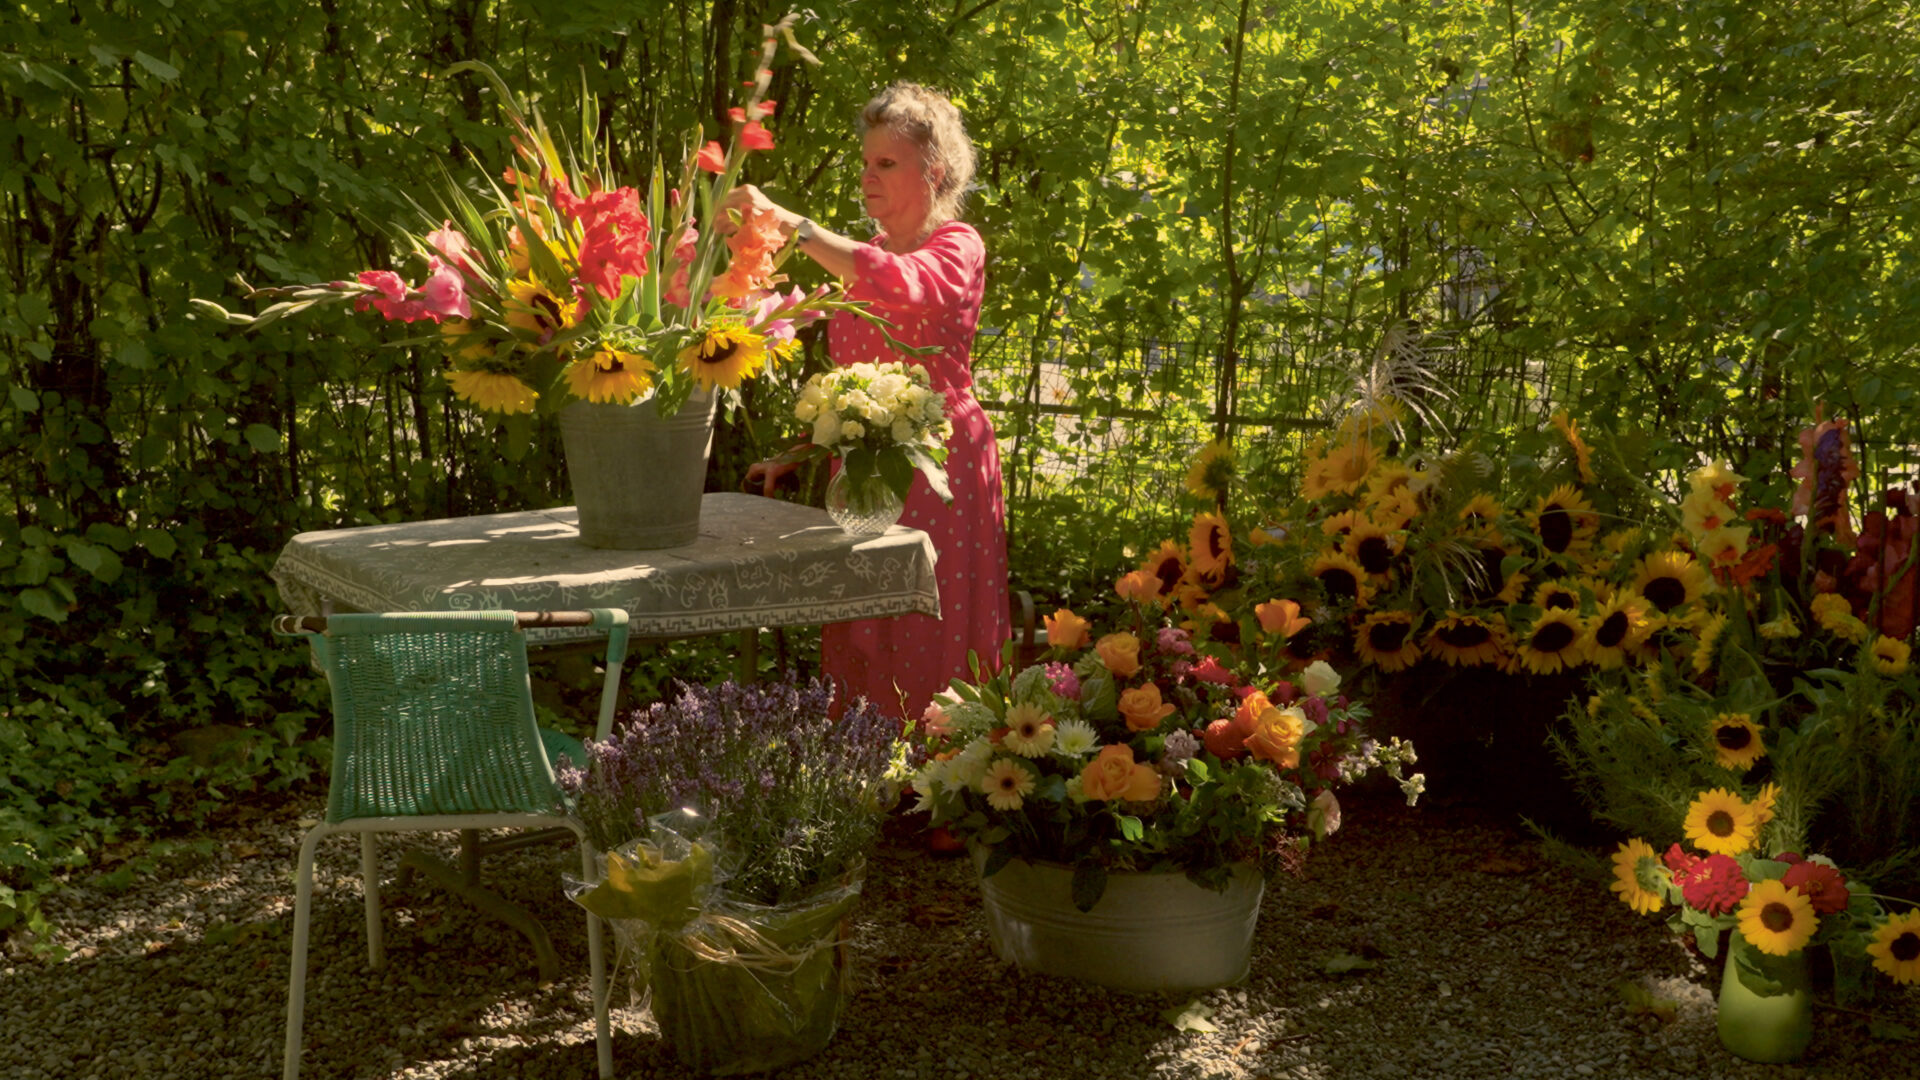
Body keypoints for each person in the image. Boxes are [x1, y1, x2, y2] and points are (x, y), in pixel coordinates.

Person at [725, 82, 1008, 722]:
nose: (868, 176)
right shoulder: (865, 256)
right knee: (860, 626)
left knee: (923, 621)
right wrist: (800, 451)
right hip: (857, 471)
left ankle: (941, 778)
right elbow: (852, 383)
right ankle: (858, 778)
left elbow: (910, 288)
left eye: (887, 163)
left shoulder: (957, 246)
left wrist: (793, 226)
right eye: (866, 162)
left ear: (932, 173)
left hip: (937, 466)